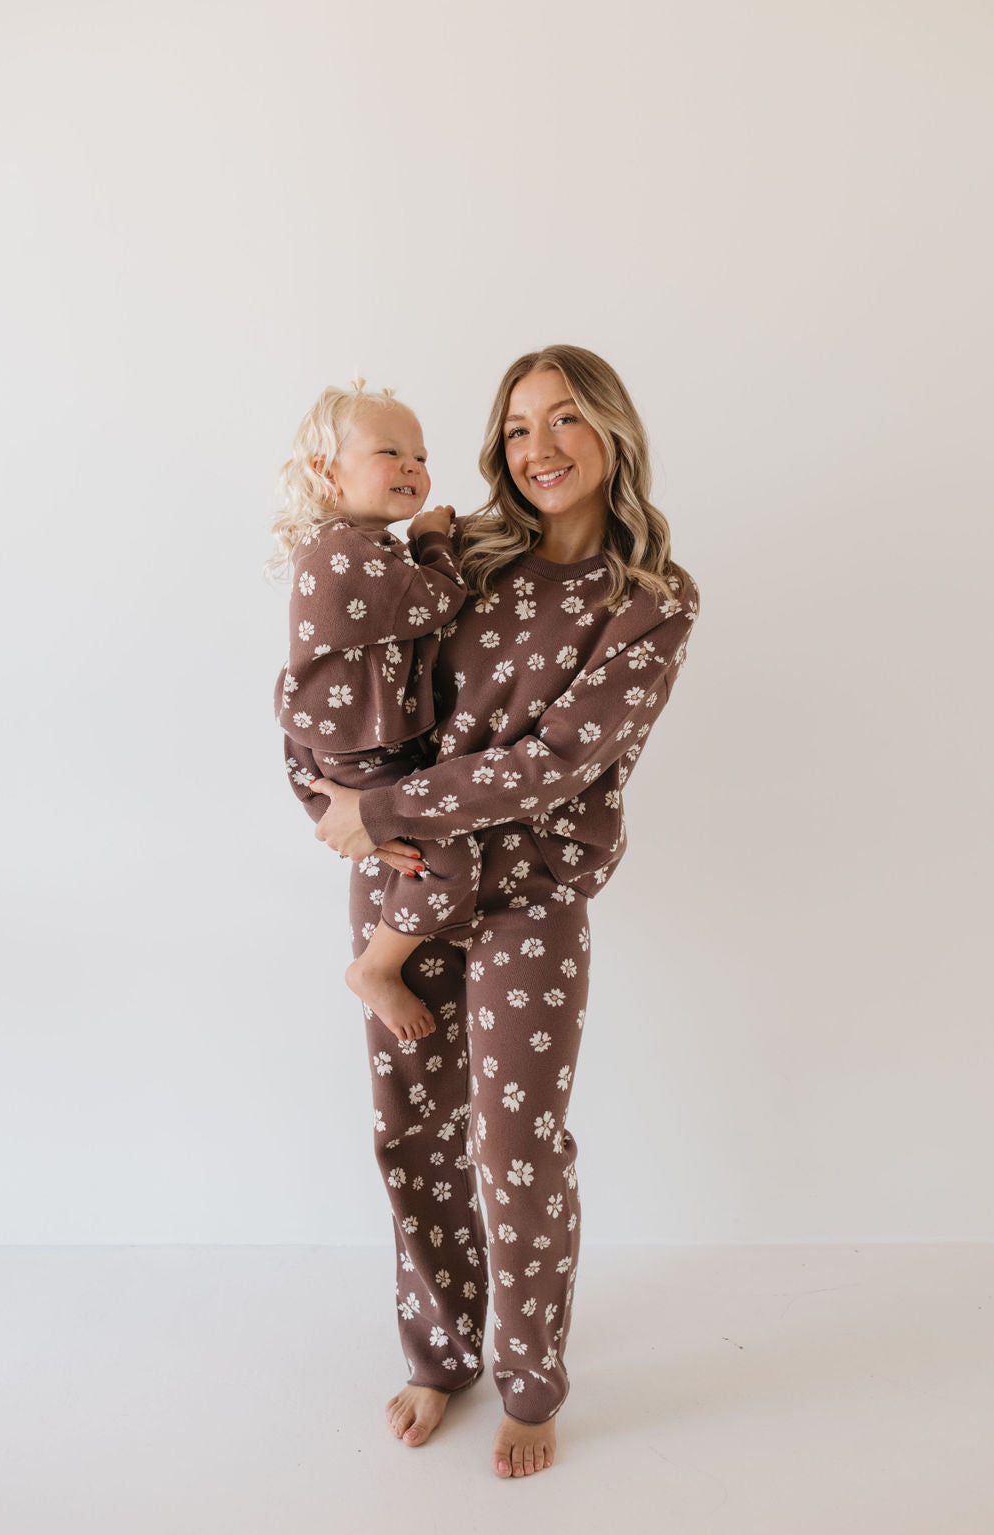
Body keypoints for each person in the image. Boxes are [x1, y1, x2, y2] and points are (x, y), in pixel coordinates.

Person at [308, 345, 700, 1479]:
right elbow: (349, 651)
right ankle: (439, 1354)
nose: (539, 447)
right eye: (519, 425)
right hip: (403, 879)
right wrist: (334, 791)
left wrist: (381, 800)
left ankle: (528, 1378)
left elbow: (559, 762)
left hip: (528, 899)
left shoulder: (649, 602)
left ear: (612, 435)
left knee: (516, 1149)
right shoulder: (458, 555)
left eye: (566, 418)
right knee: (409, 1128)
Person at [271, 382, 481, 1042]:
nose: (414, 468)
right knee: (449, 861)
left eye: (420, 456)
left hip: (330, 739)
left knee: (386, 844)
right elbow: (436, 601)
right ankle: (377, 967)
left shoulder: (351, 548)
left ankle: (385, 941)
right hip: (363, 746)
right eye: (391, 451)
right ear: (324, 472)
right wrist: (433, 539)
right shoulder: (347, 551)